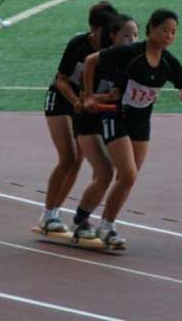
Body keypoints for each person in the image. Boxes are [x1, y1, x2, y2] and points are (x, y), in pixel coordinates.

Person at [81, 9, 182, 247]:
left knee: (128, 179)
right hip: (116, 116)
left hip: (141, 122)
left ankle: (104, 225)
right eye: (164, 30)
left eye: (173, 32)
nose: (169, 36)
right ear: (151, 28)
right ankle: (92, 222)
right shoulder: (130, 52)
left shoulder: (169, 62)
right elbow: (91, 61)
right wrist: (89, 96)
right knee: (128, 173)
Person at [38, 1, 119, 233]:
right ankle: (48, 214)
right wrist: (76, 102)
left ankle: (74, 214)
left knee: (82, 159)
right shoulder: (78, 44)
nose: (110, 36)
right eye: (106, 31)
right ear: (94, 29)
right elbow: (61, 79)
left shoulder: (112, 50)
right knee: (69, 157)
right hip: (63, 99)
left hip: (88, 104)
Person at [71, 14, 138, 240]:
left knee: (125, 173)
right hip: (88, 121)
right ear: (113, 36)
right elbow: (83, 100)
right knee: (105, 172)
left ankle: (106, 223)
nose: (131, 40)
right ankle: (81, 220)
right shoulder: (100, 61)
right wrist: (104, 97)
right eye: (126, 35)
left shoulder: (133, 60)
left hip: (111, 119)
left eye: (135, 35)